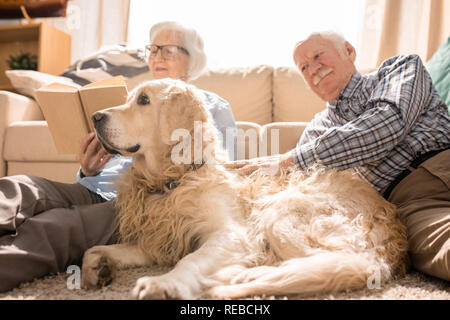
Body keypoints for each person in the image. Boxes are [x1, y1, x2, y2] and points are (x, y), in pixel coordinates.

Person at [0, 21, 237, 292]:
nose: (157, 56)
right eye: (153, 48)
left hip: (135, 202)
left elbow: (222, 172)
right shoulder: (134, 96)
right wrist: (88, 170)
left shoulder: (209, 105)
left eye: (169, 50)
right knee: (19, 188)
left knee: (54, 227)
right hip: (93, 186)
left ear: (192, 60)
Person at [226, 31, 450, 281]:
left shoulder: (400, 68)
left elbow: (387, 125)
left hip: (443, 161)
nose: (313, 68)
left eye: (318, 56)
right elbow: (297, 185)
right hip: (410, 202)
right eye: (303, 67)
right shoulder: (315, 131)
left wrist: (290, 160)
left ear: (349, 51)